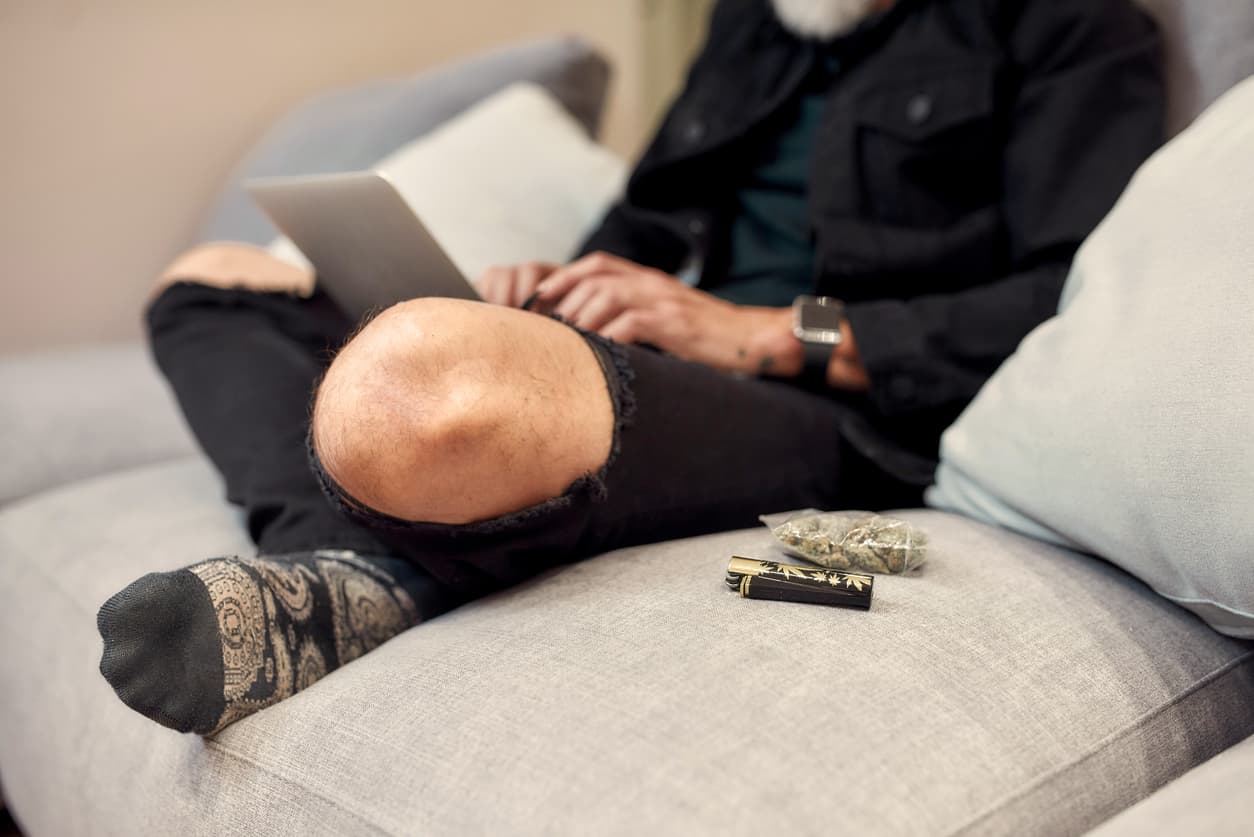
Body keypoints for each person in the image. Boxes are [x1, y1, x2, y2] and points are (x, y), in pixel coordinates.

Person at [97, 0, 1165, 735]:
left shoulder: (1072, 26)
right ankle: (356, 572)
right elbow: (651, 216)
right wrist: (557, 288)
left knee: (430, 383)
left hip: (820, 407)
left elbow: (1066, 297)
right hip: (652, 357)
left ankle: (362, 568)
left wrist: (763, 334)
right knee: (212, 280)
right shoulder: (755, 20)